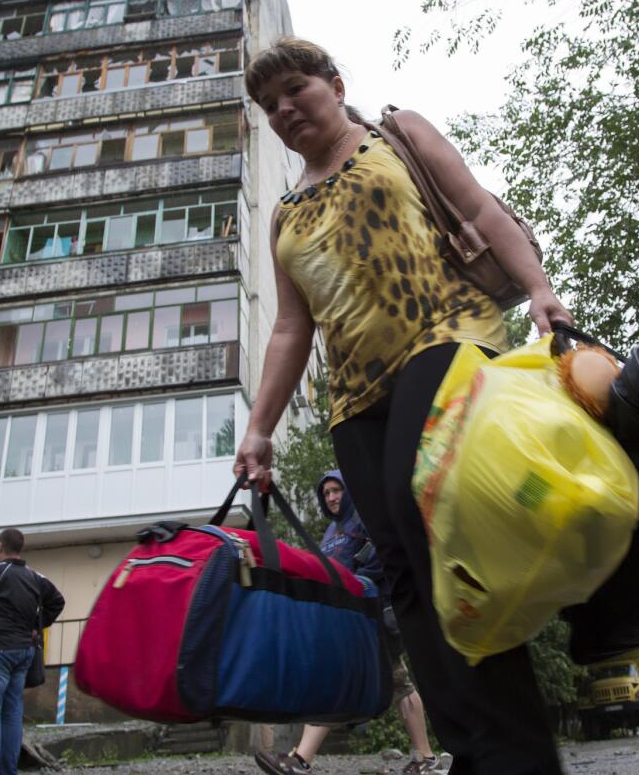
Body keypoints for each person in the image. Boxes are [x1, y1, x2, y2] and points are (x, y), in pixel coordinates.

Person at [234, 37, 573, 775]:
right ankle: (473, 750)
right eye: (269, 106)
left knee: (434, 527)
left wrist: (541, 289)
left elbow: (479, 206)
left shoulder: (398, 134)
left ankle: (520, 752)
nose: (284, 109)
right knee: (404, 574)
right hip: (354, 394)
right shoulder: (284, 213)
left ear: (334, 84)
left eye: (295, 89)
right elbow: (293, 327)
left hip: (447, 337)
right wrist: (259, 428)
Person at [256, 471, 440, 775]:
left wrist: (356, 573)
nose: (331, 497)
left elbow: (386, 557)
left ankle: (302, 760)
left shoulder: (366, 518)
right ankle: (424, 758)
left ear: (347, 490)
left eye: (336, 490)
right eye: (326, 493)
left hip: (375, 615)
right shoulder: (331, 533)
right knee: (369, 682)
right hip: (345, 618)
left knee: (379, 681)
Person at [0, 529, 64, 775]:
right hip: (23, 653)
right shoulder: (35, 576)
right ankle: (7, 770)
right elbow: (57, 601)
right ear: (21, 549)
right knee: (11, 713)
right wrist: (37, 626)